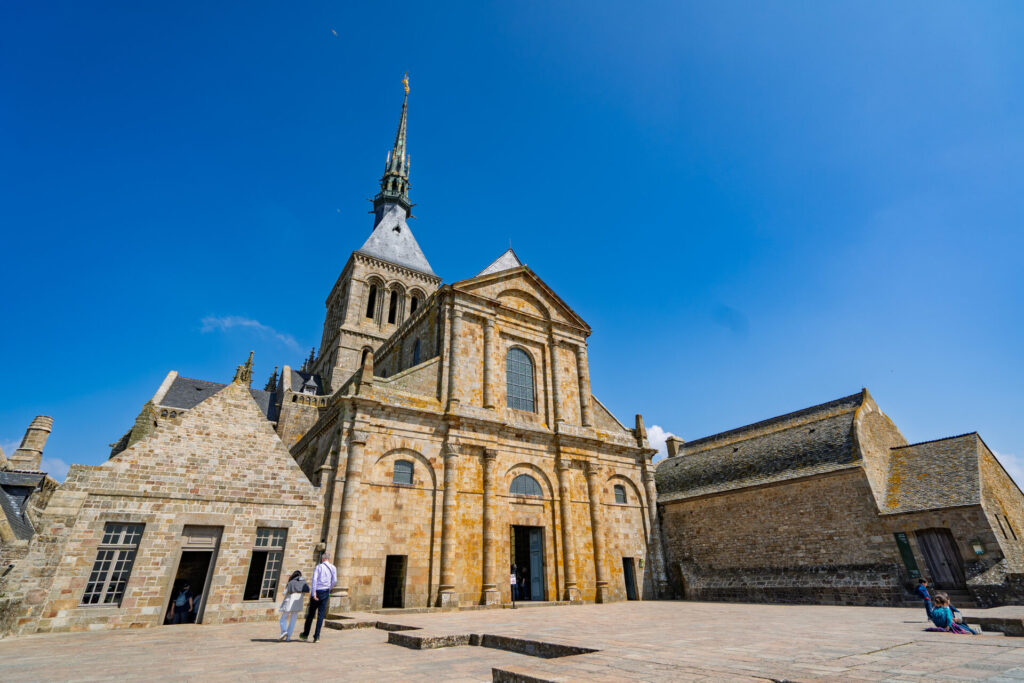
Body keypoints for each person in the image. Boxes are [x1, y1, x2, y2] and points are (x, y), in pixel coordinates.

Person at [299, 553, 337, 643]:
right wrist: (329, 588)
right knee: (321, 615)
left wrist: (314, 593)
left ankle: (305, 634)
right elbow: (334, 580)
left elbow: (314, 580)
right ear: (328, 559)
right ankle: (317, 636)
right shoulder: (333, 568)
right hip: (326, 591)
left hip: (318, 591)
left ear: (323, 559)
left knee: (311, 614)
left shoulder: (319, 567)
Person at [279, 570, 309, 641]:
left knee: (283, 618)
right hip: (298, 603)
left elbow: (284, 593)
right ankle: (288, 637)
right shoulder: (304, 583)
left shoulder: (291, 582)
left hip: (290, 601)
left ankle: (284, 631)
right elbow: (306, 591)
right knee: (293, 620)